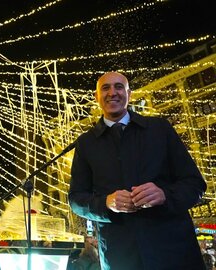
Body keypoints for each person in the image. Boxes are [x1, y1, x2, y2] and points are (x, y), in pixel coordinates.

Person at [68, 71, 207, 270]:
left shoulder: (160, 129)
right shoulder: (86, 143)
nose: (112, 92)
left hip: (173, 250)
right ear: (96, 97)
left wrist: (164, 195)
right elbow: (76, 199)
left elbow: (195, 184)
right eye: (105, 88)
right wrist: (106, 203)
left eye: (118, 87)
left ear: (129, 94)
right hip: (121, 255)